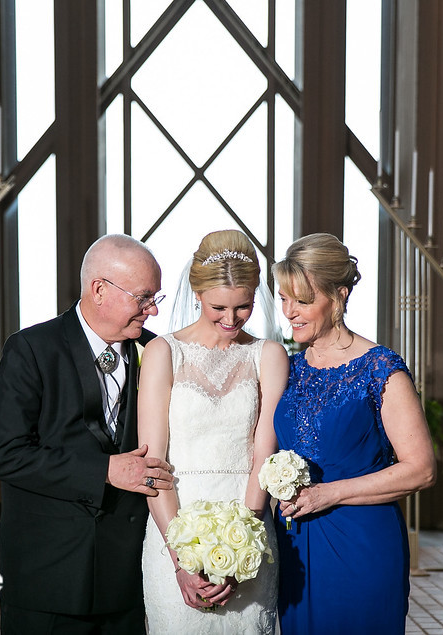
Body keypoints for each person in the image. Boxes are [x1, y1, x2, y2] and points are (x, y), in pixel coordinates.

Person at [0, 233, 175, 634]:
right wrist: (104, 470)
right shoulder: (31, 349)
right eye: (143, 297)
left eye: (155, 297)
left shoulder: (158, 352)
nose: (153, 310)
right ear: (100, 289)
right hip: (46, 576)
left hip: (125, 578)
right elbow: (5, 454)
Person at [271, 232, 436, 634]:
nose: (290, 312)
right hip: (296, 547)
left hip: (361, 545)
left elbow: (421, 470)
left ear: (339, 296)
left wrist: (329, 493)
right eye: (284, 299)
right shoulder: (287, 369)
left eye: (303, 300)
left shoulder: (380, 369)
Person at [137, 229, 288, 634]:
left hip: (248, 521)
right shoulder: (163, 352)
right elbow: (152, 463)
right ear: (197, 294)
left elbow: (264, 453)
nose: (231, 319)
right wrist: (181, 560)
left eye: (243, 307)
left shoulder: (268, 355)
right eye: (218, 307)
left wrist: (244, 546)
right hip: (174, 521)